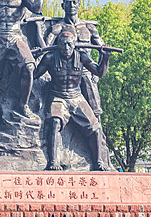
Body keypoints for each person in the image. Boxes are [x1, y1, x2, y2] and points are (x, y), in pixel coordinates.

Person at [35, 31, 110, 171]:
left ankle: (98, 162)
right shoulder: (50, 57)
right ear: (58, 44)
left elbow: (99, 72)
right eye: (63, 44)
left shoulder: (81, 56)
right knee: (54, 122)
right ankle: (53, 162)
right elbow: (34, 75)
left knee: (96, 129)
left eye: (69, 44)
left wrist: (105, 57)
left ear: (74, 44)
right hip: (57, 97)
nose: (66, 47)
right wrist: (35, 58)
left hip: (76, 97)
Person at [45, 0, 106, 119]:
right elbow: (46, 48)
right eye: (68, 3)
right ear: (63, 6)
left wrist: (98, 72)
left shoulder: (89, 27)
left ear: (79, 5)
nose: (71, 5)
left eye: (74, 3)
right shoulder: (58, 27)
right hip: (65, 73)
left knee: (95, 110)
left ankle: (99, 137)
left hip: (86, 71)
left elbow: (103, 48)